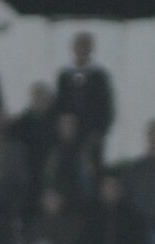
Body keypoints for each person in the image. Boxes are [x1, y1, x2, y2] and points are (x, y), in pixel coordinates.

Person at [54, 32, 114, 166]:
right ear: (73, 48)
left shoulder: (99, 76)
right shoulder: (64, 76)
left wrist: (100, 132)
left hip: (92, 135)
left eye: (86, 46)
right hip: (69, 136)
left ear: (91, 49)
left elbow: (107, 107)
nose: (82, 49)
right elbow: (59, 105)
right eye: (79, 45)